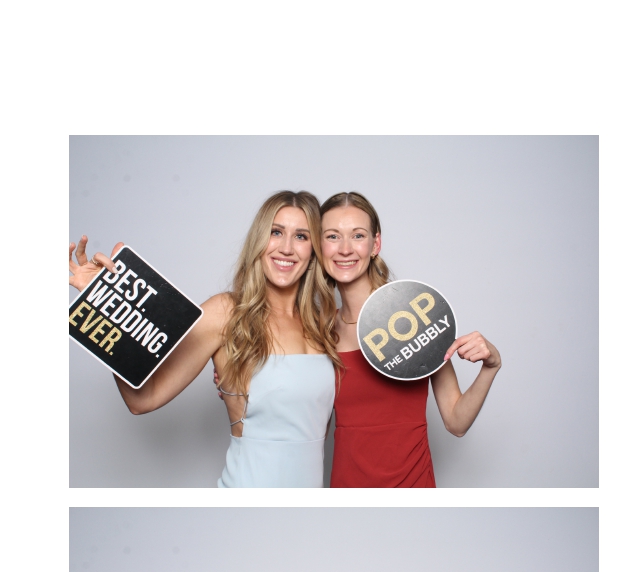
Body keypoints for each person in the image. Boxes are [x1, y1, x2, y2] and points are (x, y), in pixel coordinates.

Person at [69, 192, 339, 488]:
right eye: (276, 232)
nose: (286, 248)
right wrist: (104, 305)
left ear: (314, 249)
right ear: (259, 241)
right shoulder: (226, 313)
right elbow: (142, 399)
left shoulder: (324, 324)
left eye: (301, 236)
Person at [319, 191, 502, 488]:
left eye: (358, 235)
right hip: (347, 493)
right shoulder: (318, 333)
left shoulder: (414, 315)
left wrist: (490, 367)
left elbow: (456, 422)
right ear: (319, 246)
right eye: (332, 236)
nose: (345, 249)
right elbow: (311, 429)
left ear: (375, 244)